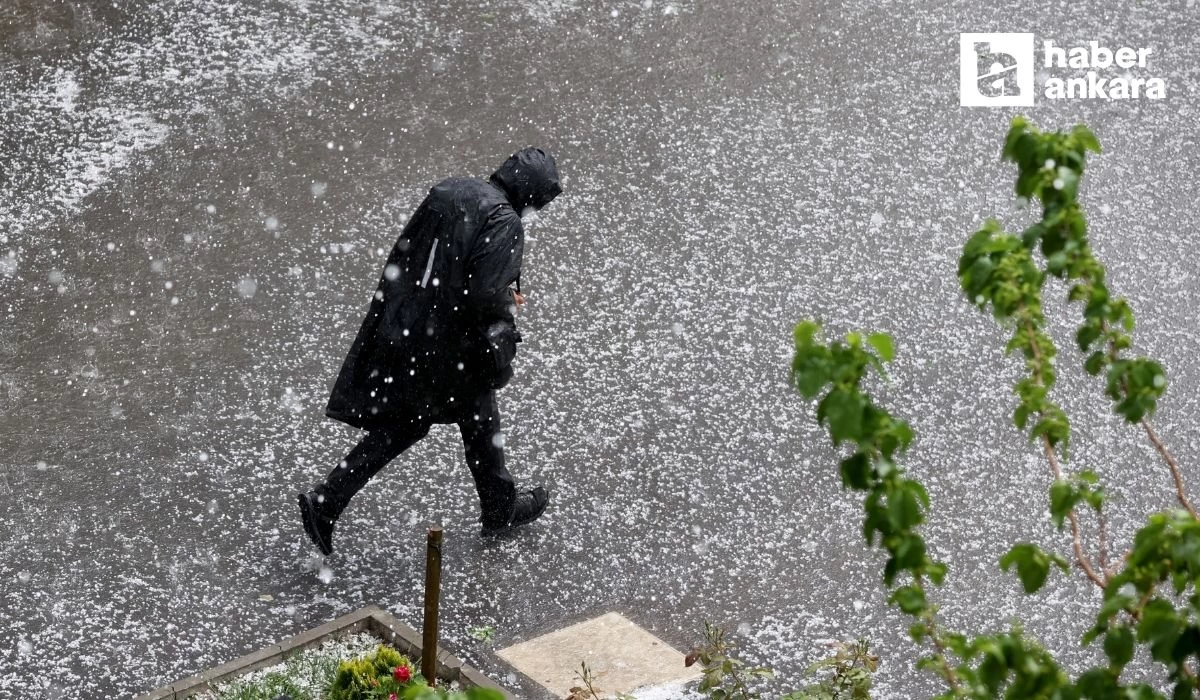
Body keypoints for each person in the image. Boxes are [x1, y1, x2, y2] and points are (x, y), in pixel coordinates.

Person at [298, 147, 562, 555]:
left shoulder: (451, 190)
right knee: (466, 419)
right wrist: (507, 304)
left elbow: (417, 256)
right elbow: (485, 294)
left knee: (433, 421)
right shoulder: (504, 219)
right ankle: (497, 508)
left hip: (415, 327)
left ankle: (329, 500)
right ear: (530, 194)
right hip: (453, 344)